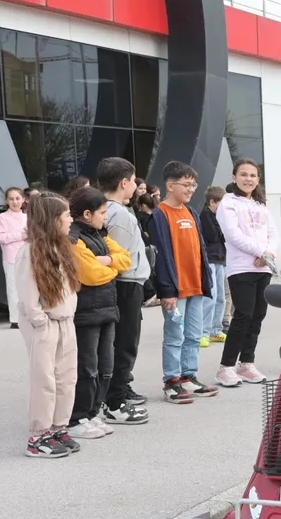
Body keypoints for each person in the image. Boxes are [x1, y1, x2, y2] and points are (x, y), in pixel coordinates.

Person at [16, 192, 82, 458]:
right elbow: (28, 294)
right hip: (45, 324)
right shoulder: (30, 252)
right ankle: (38, 435)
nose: (71, 219)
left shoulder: (62, 248)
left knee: (67, 378)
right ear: (53, 219)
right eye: (66, 215)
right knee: (44, 379)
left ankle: (58, 427)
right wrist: (40, 322)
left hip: (65, 321)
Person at [149, 161, 219, 403]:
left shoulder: (191, 213)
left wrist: (205, 281)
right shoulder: (160, 215)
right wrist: (166, 290)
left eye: (193, 185)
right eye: (186, 185)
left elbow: (200, 250)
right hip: (175, 291)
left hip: (195, 287)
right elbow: (160, 256)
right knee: (174, 336)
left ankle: (189, 376)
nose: (191, 189)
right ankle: (172, 381)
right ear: (170, 186)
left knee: (193, 335)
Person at [68, 187, 135, 438]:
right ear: (87, 214)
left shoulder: (100, 233)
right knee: (87, 368)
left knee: (106, 366)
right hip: (86, 312)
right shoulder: (74, 238)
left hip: (107, 308)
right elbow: (90, 275)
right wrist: (112, 265)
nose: (105, 217)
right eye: (102, 212)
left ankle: (93, 412)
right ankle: (77, 417)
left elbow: (125, 258)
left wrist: (105, 261)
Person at [98, 157, 152, 418]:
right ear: (123, 183)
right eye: (132, 180)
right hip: (125, 283)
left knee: (120, 341)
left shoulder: (110, 209)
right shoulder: (118, 213)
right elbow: (118, 256)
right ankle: (115, 401)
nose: (135, 184)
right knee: (125, 343)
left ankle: (116, 393)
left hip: (126, 283)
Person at [216, 158, 276, 387]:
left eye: (252, 175)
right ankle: (226, 367)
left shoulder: (260, 205)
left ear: (258, 179)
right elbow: (233, 235)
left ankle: (247, 363)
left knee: (258, 315)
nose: (248, 179)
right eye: (243, 174)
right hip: (241, 268)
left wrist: (268, 254)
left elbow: (273, 233)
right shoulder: (228, 203)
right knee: (243, 315)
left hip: (263, 267)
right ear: (234, 177)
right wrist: (261, 251)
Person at [0, 187, 28, 329]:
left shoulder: (27, 217)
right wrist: (20, 235)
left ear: (23, 199)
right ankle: (15, 319)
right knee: (13, 288)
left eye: (17, 198)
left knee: (27, 287)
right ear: (7, 201)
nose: (15, 202)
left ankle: (28, 316)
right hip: (11, 257)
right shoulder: (2, 218)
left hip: (28, 256)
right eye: (11, 199)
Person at [200, 186, 228, 347]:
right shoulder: (205, 215)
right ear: (212, 202)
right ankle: (204, 331)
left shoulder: (219, 217)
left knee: (221, 297)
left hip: (220, 259)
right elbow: (214, 236)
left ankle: (216, 330)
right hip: (210, 259)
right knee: (211, 296)